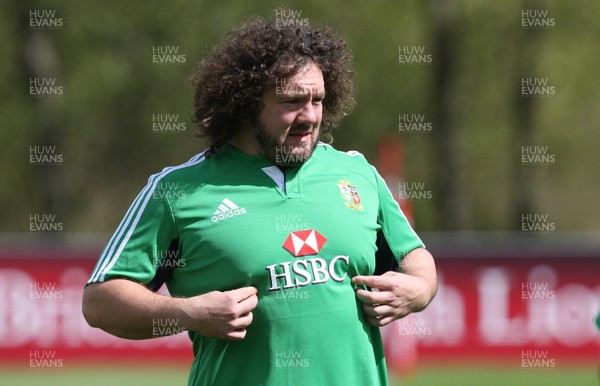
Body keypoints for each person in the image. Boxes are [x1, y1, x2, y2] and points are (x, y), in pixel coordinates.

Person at [82, 11, 437, 386]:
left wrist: (419, 289)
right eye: (292, 101)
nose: (310, 116)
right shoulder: (178, 191)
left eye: (318, 100)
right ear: (248, 103)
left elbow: (414, 257)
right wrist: (188, 312)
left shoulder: (357, 174)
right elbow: (100, 301)